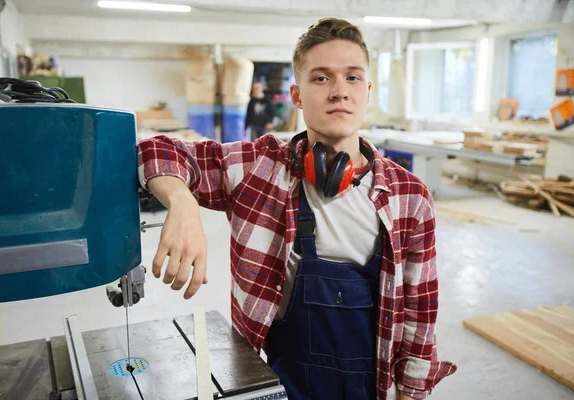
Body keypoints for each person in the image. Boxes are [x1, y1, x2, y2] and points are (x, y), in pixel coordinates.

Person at [137, 17, 456, 400]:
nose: (340, 92)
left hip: (370, 386)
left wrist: (410, 394)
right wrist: (182, 200)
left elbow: (420, 315)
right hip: (277, 382)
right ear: (297, 95)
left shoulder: (409, 196)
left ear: (368, 91)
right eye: (322, 78)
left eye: (352, 78)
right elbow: (156, 149)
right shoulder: (260, 168)